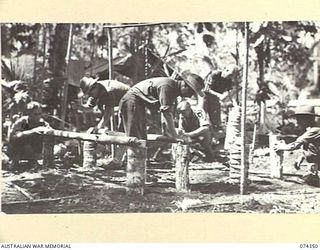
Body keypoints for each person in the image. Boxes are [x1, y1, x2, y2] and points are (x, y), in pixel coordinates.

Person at [119, 72, 204, 140]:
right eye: (191, 92)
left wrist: (166, 131)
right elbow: (167, 113)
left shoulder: (174, 91)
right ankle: (130, 160)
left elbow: (164, 110)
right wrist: (175, 135)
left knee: (141, 135)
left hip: (138, 103)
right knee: (135, 136)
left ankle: (125, 160)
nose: (190, 96)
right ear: (185, 86)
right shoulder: (168, 87)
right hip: (131, 100)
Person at [275, 105, 320, 187]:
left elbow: (296, 144)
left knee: (309, 183)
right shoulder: (310, 130)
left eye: (300, 119)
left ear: (307, 119)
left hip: (316, 162)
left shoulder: (314, 130)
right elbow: (310, 146)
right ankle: (312, 175)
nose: (297, 122)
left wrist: (281, 147)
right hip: (316, 162)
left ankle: (313, 176)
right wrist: (301, 157)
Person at [7, 101, 52, 169]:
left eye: (40, 114)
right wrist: (34, 131)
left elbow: (51, 132)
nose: (38, 116)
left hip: (35, 151)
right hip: (19, 151)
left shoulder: (43, 123)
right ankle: (15, 162)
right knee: (22, 138)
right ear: (29, 113)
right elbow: (14, 137)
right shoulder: (23, 122)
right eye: (35, 114)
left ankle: (36, 162)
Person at [201, 65, 239, 141]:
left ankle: (216, 139)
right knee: (204, 117)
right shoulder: (214, 74)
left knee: (216, 119)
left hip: (215, 99)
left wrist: (236, 105)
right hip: (205, 97)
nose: (230, 77)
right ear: (226, 70)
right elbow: (206, 89)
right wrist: (219, 95)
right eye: (230, 75)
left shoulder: (228, 80)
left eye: (232, 76)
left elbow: (230, 92)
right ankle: (206, 138)